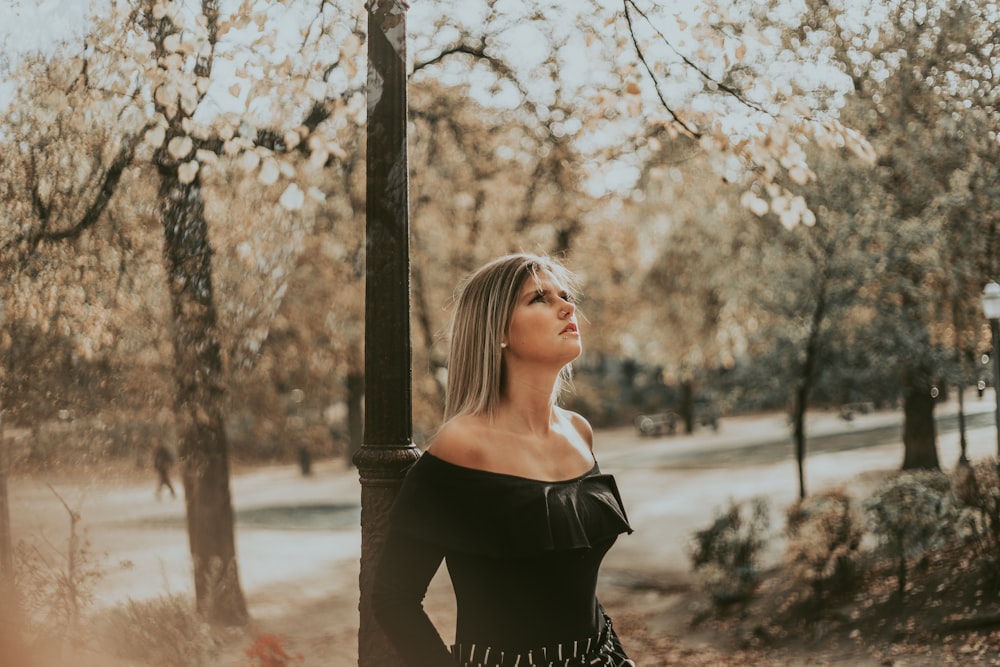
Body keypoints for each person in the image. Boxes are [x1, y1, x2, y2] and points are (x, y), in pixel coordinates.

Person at [373, 253, 635, 666]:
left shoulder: (579, 431)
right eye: (539, 299)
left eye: (565, 296)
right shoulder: (462, 444)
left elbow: (573, 582)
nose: (567, 307)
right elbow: (394, 598)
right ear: (497, 332)